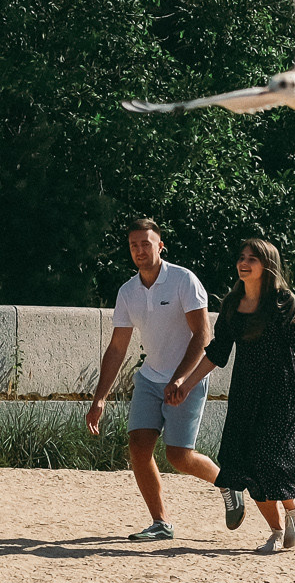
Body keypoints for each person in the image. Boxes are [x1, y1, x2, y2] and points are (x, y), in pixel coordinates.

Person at [167, 237, 295, 553]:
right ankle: (276, 530)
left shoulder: (281, 302)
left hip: (280, 393)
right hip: (245, 392)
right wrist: (186, 384)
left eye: (253, 258)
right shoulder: (233, 305)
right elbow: (217, 352)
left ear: (267, 265)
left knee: (269, 459)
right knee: (244, 462)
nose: (244, 262)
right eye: (242, 256)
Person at [88, 218, 222, 541]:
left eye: (146, 244)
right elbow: (117, 348)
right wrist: (100, 397)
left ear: (160, 246)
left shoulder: (183, 281)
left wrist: (180, 379)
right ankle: (161, 523)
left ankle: (228, 481)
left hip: (187, 378)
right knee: (138, 447)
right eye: (133, 245)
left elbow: (203, 335)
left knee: (178, 456)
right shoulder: (128, 292)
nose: (139, 251)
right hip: (149, 378)